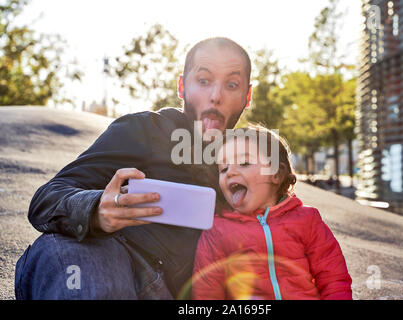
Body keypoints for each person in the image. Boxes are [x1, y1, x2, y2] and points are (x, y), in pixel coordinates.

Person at [14, 37, 253, 299]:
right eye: (204, 81)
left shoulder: (253, 161)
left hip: (170, 292)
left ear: (247, 96)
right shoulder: (144, 129)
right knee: (91, 265)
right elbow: (45, 200)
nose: (216, 96)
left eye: (231, 85)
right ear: (182, 86)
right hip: (103, 259)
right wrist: (96, 210)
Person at [192, 126, 353, 300]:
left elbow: (333, 276)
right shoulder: (218, 230)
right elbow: (206, 290)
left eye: (245, 163)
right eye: (223, 169)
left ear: (276, 174)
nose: (230, 172)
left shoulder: (307, 220)